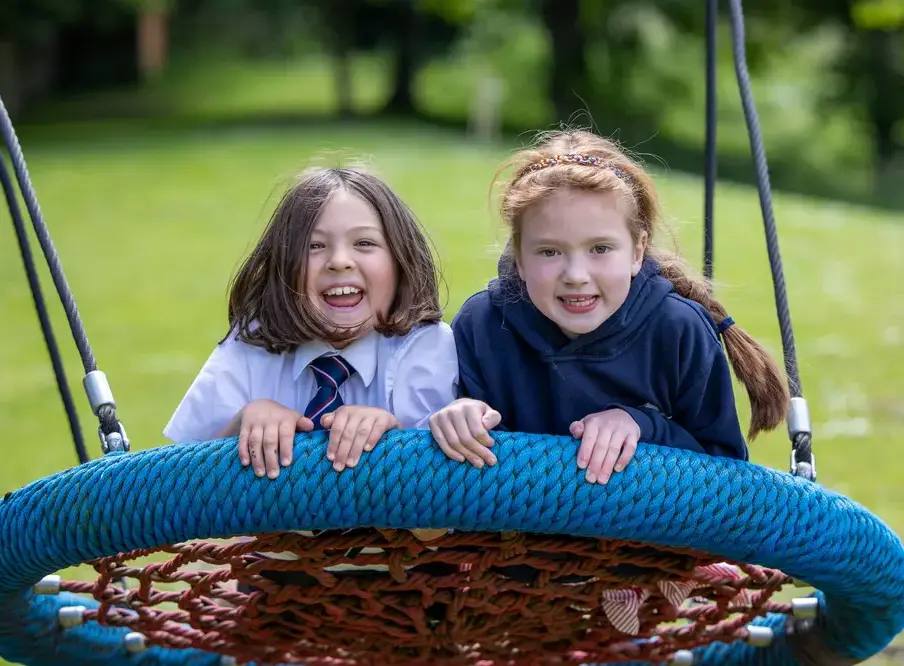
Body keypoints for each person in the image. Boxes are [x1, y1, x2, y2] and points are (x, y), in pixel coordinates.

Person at [429, 129, 790, 487]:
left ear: (637, 251)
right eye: (549, 251)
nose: (576, 275)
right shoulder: (483, 325)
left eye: (600, 248)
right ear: (519, 258)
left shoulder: (679, 330)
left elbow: (726, 476)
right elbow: (456, 468)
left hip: (649, 541)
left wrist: (643, 425)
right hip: (511, 541)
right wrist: (459, 417)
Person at [163, 165, 456, 580]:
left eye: (365, 243)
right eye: (315, 246)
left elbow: (441, 520)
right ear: (284, 266)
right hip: (276, 584)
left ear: (400, 260)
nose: (339, 262)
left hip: (410, 583)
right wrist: (241, 426)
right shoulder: (253, 343)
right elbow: (183, 494)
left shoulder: (425, 345)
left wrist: (395, 440)